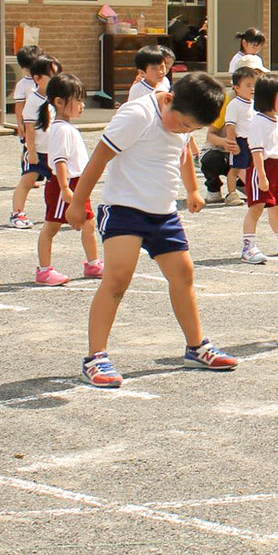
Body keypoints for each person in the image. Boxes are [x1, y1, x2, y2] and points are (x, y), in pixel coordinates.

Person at [66, 72, 238, 388]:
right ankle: (95, 358)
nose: (183, 130)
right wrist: (78, 202)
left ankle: (196, 347)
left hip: (163, 213)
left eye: (191, 128)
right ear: (169, 99)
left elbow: (183, 154)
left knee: (184, 274)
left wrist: (193, 189)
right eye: (182, 124)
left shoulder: (183, 121)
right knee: (117, 279)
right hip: (124, 209)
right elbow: (99, 158)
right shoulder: (138, 115)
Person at [35, 73, 101, 284]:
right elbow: (60, 161)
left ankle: (93, 264)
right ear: (59, 102)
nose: (82, 105)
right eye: (78, 100)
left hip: (76, 184)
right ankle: (44, 270)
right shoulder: (61, 130)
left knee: (89, 223)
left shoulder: (68, 127)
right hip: (64, 185)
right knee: (51, 227)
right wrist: (64, 188)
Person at [242, 73, 278, 265]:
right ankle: (248, 247)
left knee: (276, 208)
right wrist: (262, 176)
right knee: (256, 208)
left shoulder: (277, 122)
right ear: (267, 98)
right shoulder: (258, 121)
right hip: (263, 168)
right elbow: (256, 151)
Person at [9, 53, 60, 229]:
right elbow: (30, 128)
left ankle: (57, 213)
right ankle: (17, 213)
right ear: (37, 78)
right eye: (51, 76)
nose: (56, 79)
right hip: (36, 151)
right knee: (27, 182)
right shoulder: (33, 100)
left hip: (53, 152)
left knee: (57, 183)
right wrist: (31, 151)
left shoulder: (56, 99)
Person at [220, 64, 259, 207]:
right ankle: (231, 193)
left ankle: (253, 191)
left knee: (252, 167)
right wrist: (233, 143)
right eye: (248, 85)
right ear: (236, 87)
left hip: (253, 141)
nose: (252, 88)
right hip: (240, 141)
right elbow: (230, 125)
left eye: (254, 85)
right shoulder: (234, 104)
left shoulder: (255, 104)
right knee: (235, 168)